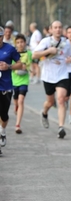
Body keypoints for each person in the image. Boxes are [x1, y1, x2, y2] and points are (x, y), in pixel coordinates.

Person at [32, 20, 71, 139]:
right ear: (51, 29)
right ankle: (44, 113)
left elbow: (68, 56)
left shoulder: (67, 43)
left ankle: (61, 128)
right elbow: (34, 55)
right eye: (55, 27)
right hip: (48, 76)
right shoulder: (45, 41)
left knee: (60, 99)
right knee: (50, 102)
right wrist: (48, 51)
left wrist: (67, 60)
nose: (58, 29)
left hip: (62, 74)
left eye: (60, 27)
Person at [0, 26, 22, 154]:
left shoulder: (10, 49)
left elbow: (20, 64)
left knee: (4, 115)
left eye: (0, 37)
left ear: (2, 37)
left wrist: (8, 66)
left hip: (6, 87)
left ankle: (2, 131)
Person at [12, 34, 33, 134]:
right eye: (18, 42)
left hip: (24, 81)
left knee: (21, 100)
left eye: (22, 42)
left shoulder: (29, 53)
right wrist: (17, 67)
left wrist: (28, 68)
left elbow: (30, 64)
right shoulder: (13, 53)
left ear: (25, 43)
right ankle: (16, 106)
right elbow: (10, 66)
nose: (20, 44)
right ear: (15, 44)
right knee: (16, 101)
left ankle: (17, 125)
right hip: (14, 81)